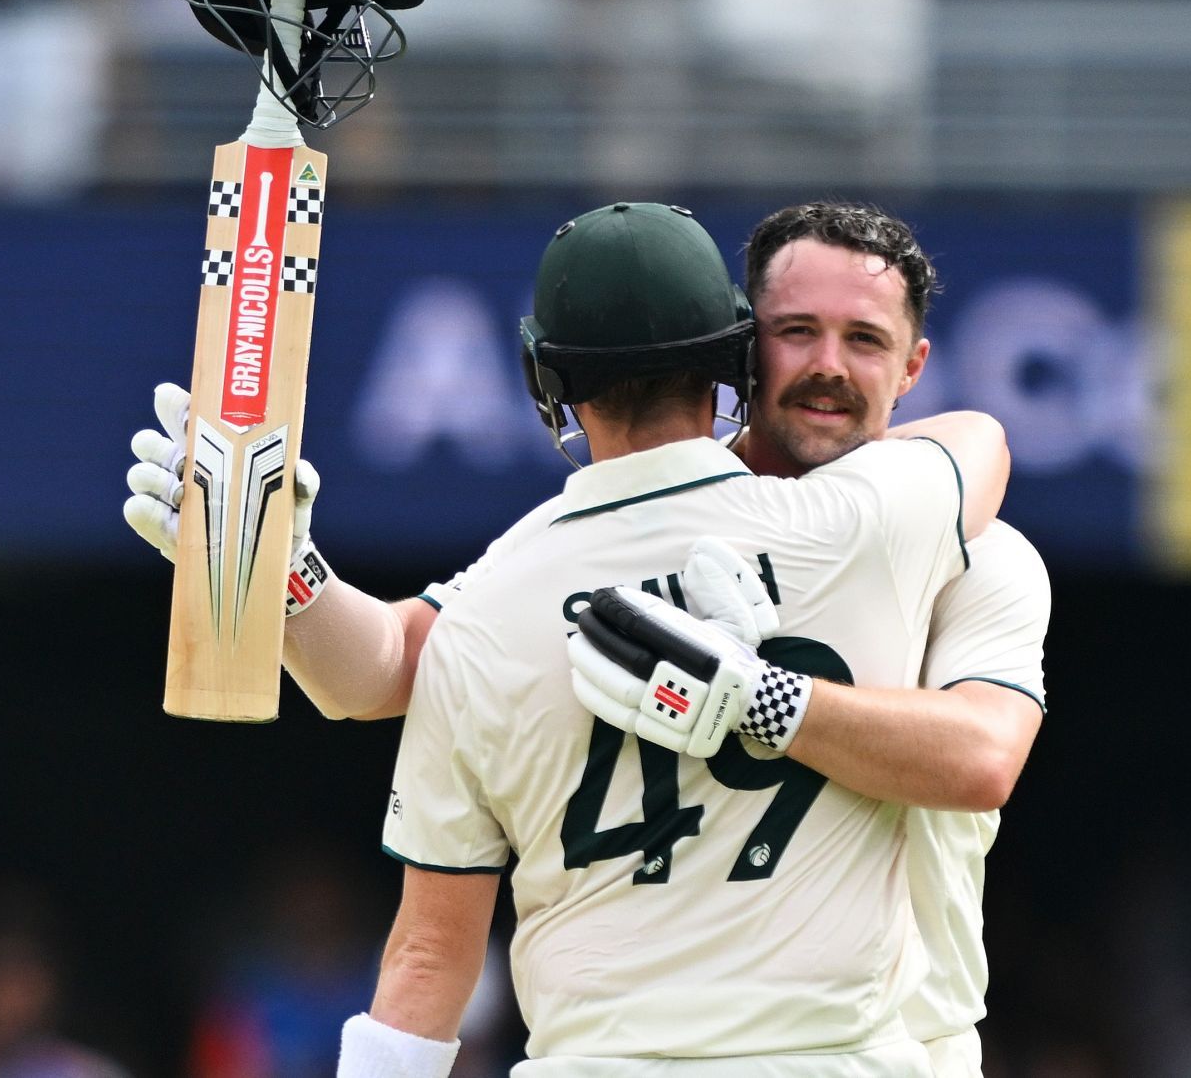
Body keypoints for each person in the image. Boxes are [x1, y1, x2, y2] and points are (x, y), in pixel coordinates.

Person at [125, 202, 1046, 1075]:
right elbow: (393, 665)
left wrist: (757, 697)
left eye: (865, 339)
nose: (829, 367)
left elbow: (981, 756)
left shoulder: (963, 549)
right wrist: (283, 572)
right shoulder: (889, 517)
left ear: (915, 362)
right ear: (741, 348)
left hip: (907, 1047)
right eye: (798, 332)